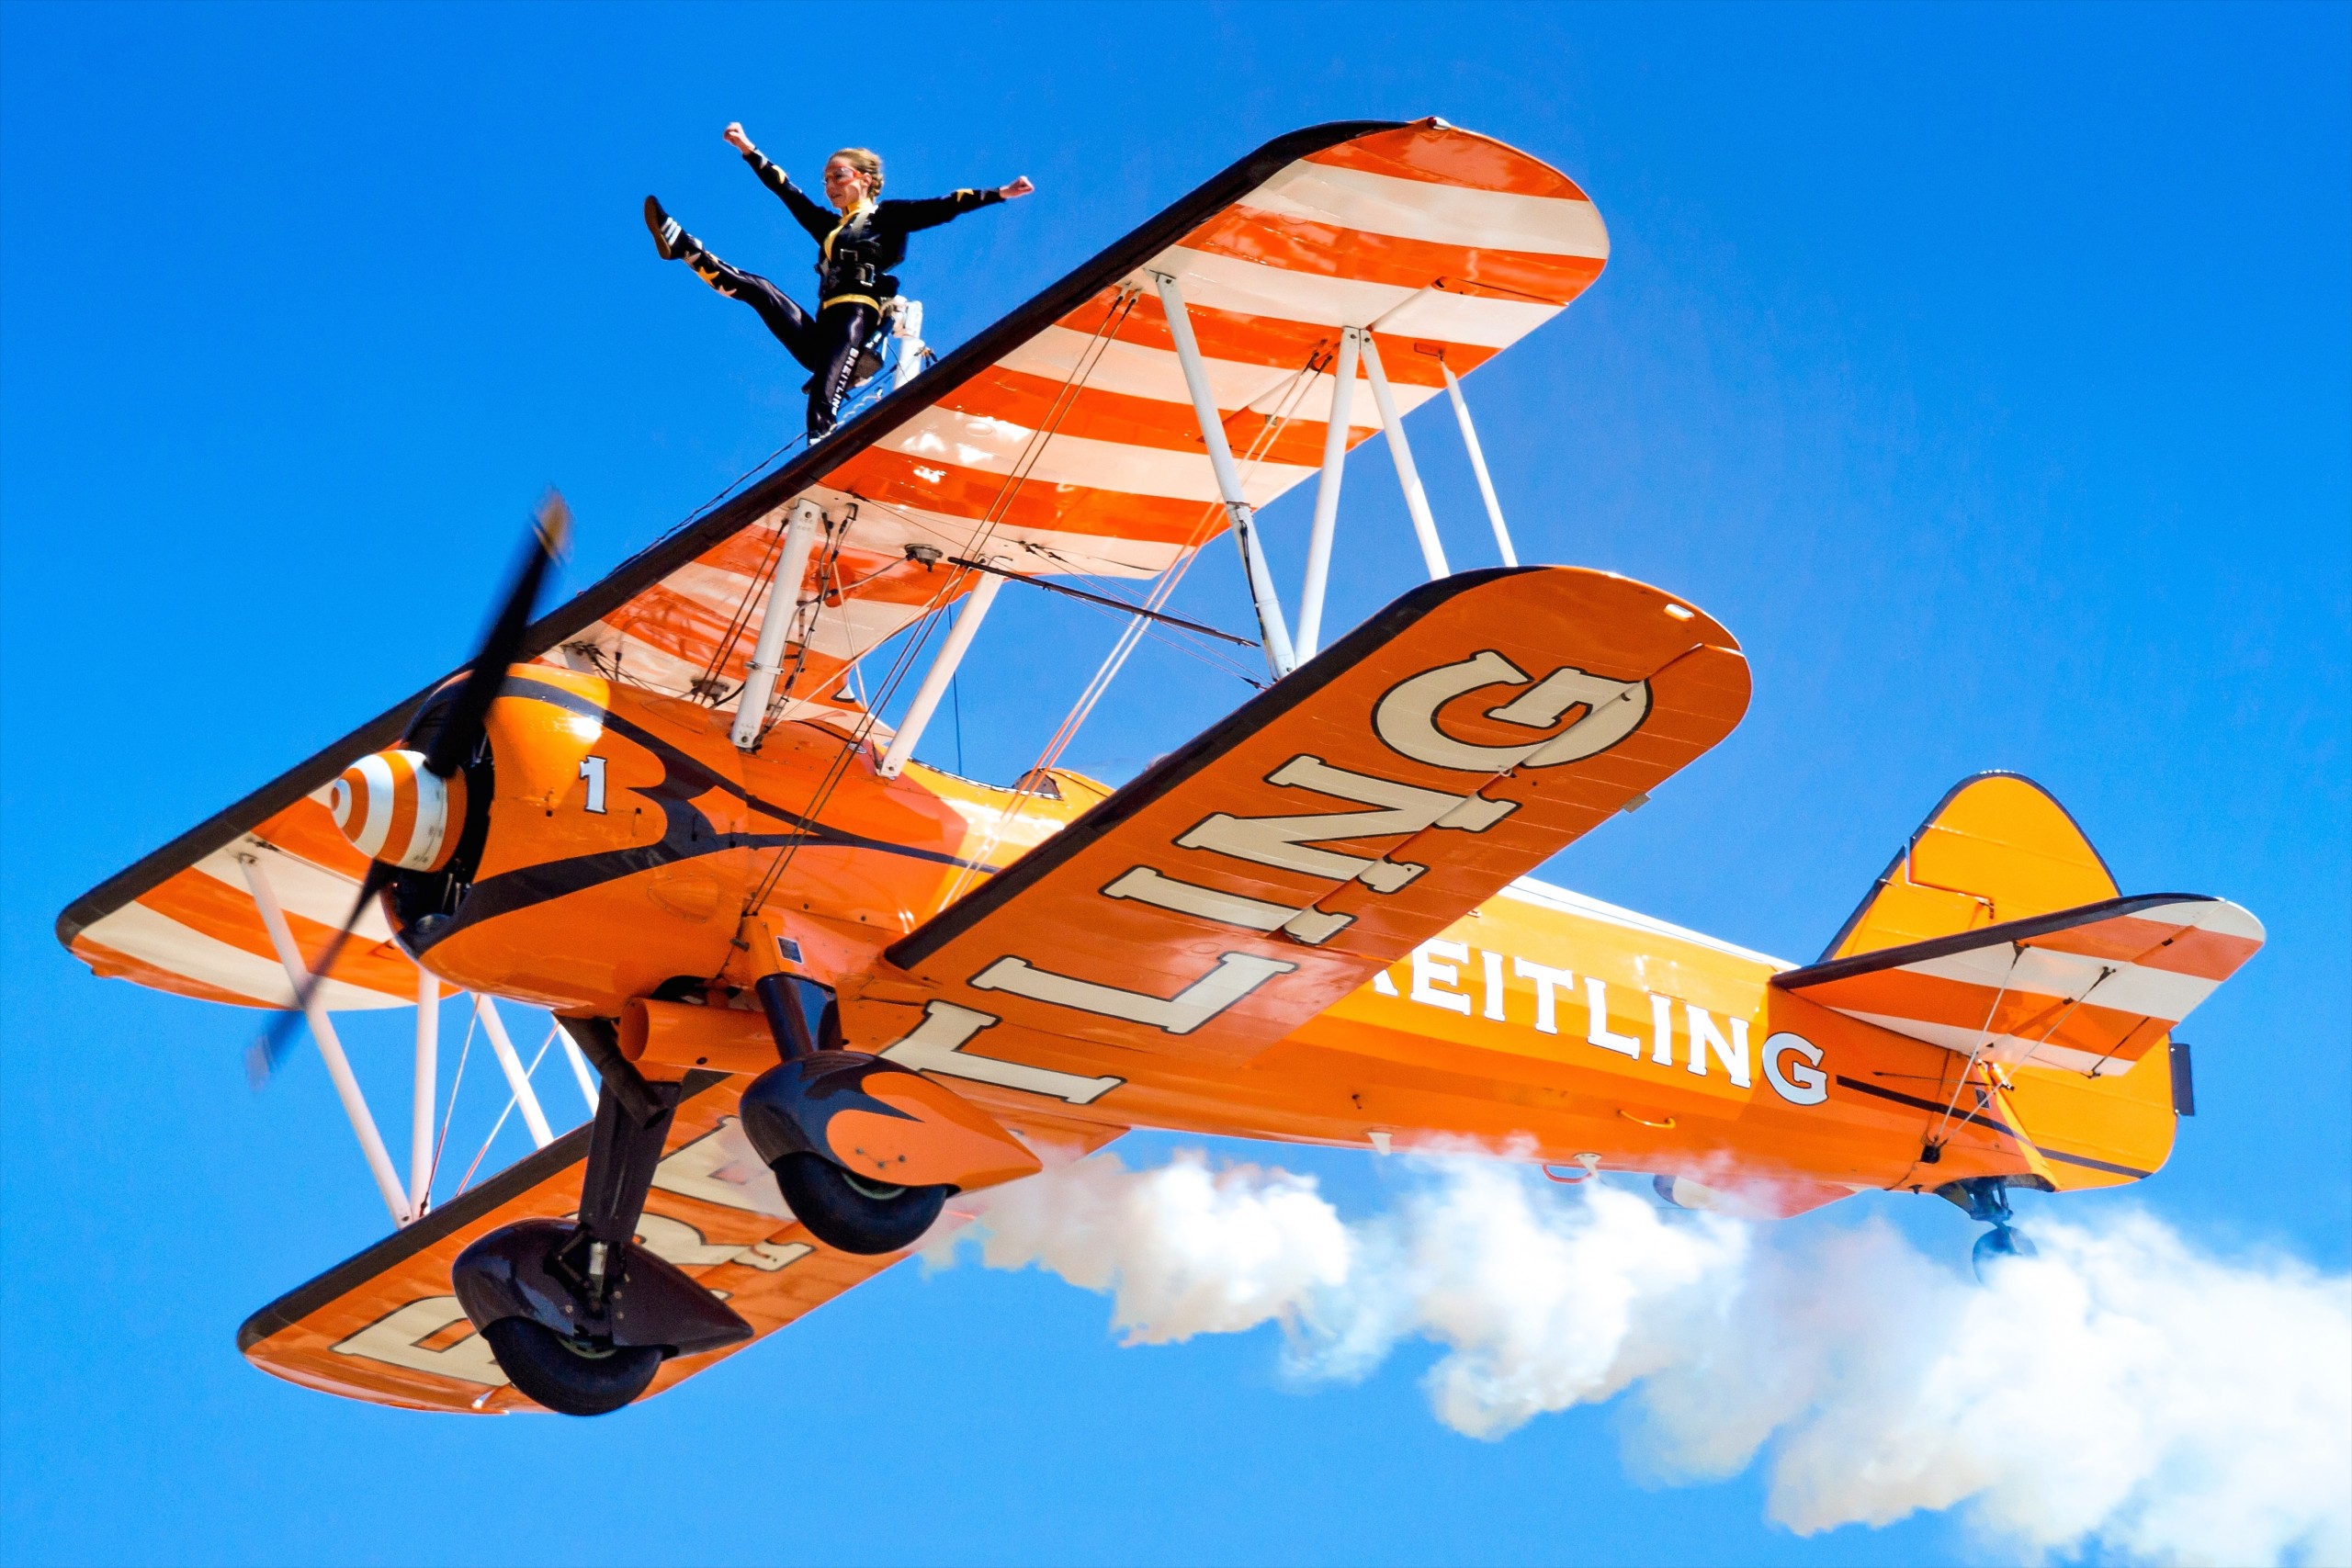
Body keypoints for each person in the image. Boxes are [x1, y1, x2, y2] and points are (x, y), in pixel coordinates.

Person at [646, 124, 1035, 438]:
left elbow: (946, 205)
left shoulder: (887, 217)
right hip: (822, 329)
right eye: (825, 179)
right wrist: (749, 150)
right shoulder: (828, 227)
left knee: (822, 393)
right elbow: (786, 190)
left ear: (866, 179)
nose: (829, 184)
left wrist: (999, 193)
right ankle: (684, 246)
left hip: (857, 315)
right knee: (760, 289)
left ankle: (822, 436)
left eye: (838, 175)